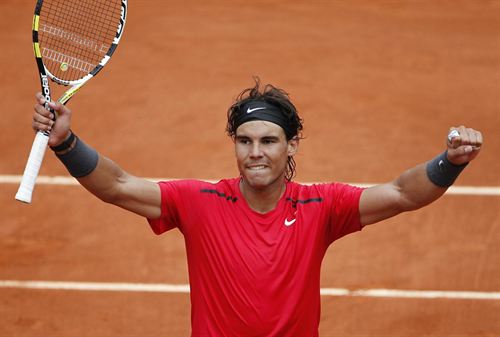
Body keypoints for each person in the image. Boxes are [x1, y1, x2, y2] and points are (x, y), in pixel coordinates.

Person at [31, 78, 482, 336]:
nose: (255, 152)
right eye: (245, 141)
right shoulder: (199, 202)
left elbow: (403, 193)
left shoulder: (321, 206)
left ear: (291, 146)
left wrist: (451, 161)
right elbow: (118, 186)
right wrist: (67, 143)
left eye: (269, 140)